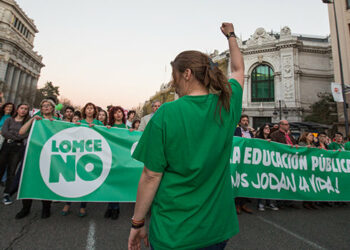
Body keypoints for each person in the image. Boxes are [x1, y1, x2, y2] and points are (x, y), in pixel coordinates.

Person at [128, 22, 244, 250]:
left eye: (175, 76)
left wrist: (137, 222)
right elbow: (239, 70)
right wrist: (231, 35)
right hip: (216, 229)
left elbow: (151, 176)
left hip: (174, 233)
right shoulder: (226, 105)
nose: (173, 82)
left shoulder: (166, 113)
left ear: (188, 74)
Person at [15, 99, 59, 219]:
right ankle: (25, 208)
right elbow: (21, 132)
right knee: (29, 180)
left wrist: (54, 124)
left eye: (48, 106)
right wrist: (32, 120)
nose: (46, 108)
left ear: (53, 108)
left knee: (46, 182)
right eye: (43, 106)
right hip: (33, 154)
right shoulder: (35, 119)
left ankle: (46, 208)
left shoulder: (58, 121)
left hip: (49, 155)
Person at [0, 104, 29, 205]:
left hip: (17, 148)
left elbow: (25, 134)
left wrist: (15, 137)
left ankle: (6, 194)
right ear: (17, 109)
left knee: (11, 172)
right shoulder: (9, 120)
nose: (23, 110)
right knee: (1, 168)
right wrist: (16, 136)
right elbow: (4, 132)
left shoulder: (26, 123)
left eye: (26, 109)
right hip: (6, 146)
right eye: (22, 108)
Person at [270, 120, 299, 209]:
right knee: (281, 180)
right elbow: (275, 146)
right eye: (286, 125)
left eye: (288, 124)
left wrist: (296, 146)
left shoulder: (289, 135)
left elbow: (293, 144)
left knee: (290, 180)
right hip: (281, 161)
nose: (288, 126)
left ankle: (289, 201)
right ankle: (280, 201)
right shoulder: (275, 135)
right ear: (280, 125)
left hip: (291, 161)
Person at [255, 123, 279, 212]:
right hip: (261, 164)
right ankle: (260, 202)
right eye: (265, 128)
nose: (268, 129)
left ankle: (269, 202)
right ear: (262, 129)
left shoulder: (272, 139)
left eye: (268, 128)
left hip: (270, 164)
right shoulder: (258, 139)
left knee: (269, 184)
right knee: (261, 183)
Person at [234, 114, 254, 214]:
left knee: (246, 182)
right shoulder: (236, 131)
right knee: (238, 181)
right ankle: (237, 205)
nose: (245, 122)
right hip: (238, 160)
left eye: (247, 120)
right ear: (240, 122)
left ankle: (244, 204)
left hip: (248, 161)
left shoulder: (250, 133)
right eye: (243, 120)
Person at [298, 132, 318, 210]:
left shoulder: (313, 144)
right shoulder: (301, 143)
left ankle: (312, 202)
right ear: (305, 136)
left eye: (313, 136)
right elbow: (300, 152)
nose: (312, 137)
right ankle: (306, 202)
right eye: (310, 135)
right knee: (307, 184)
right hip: (305, 166)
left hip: (312, 166)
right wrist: (306, 148)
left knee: (313, 184)